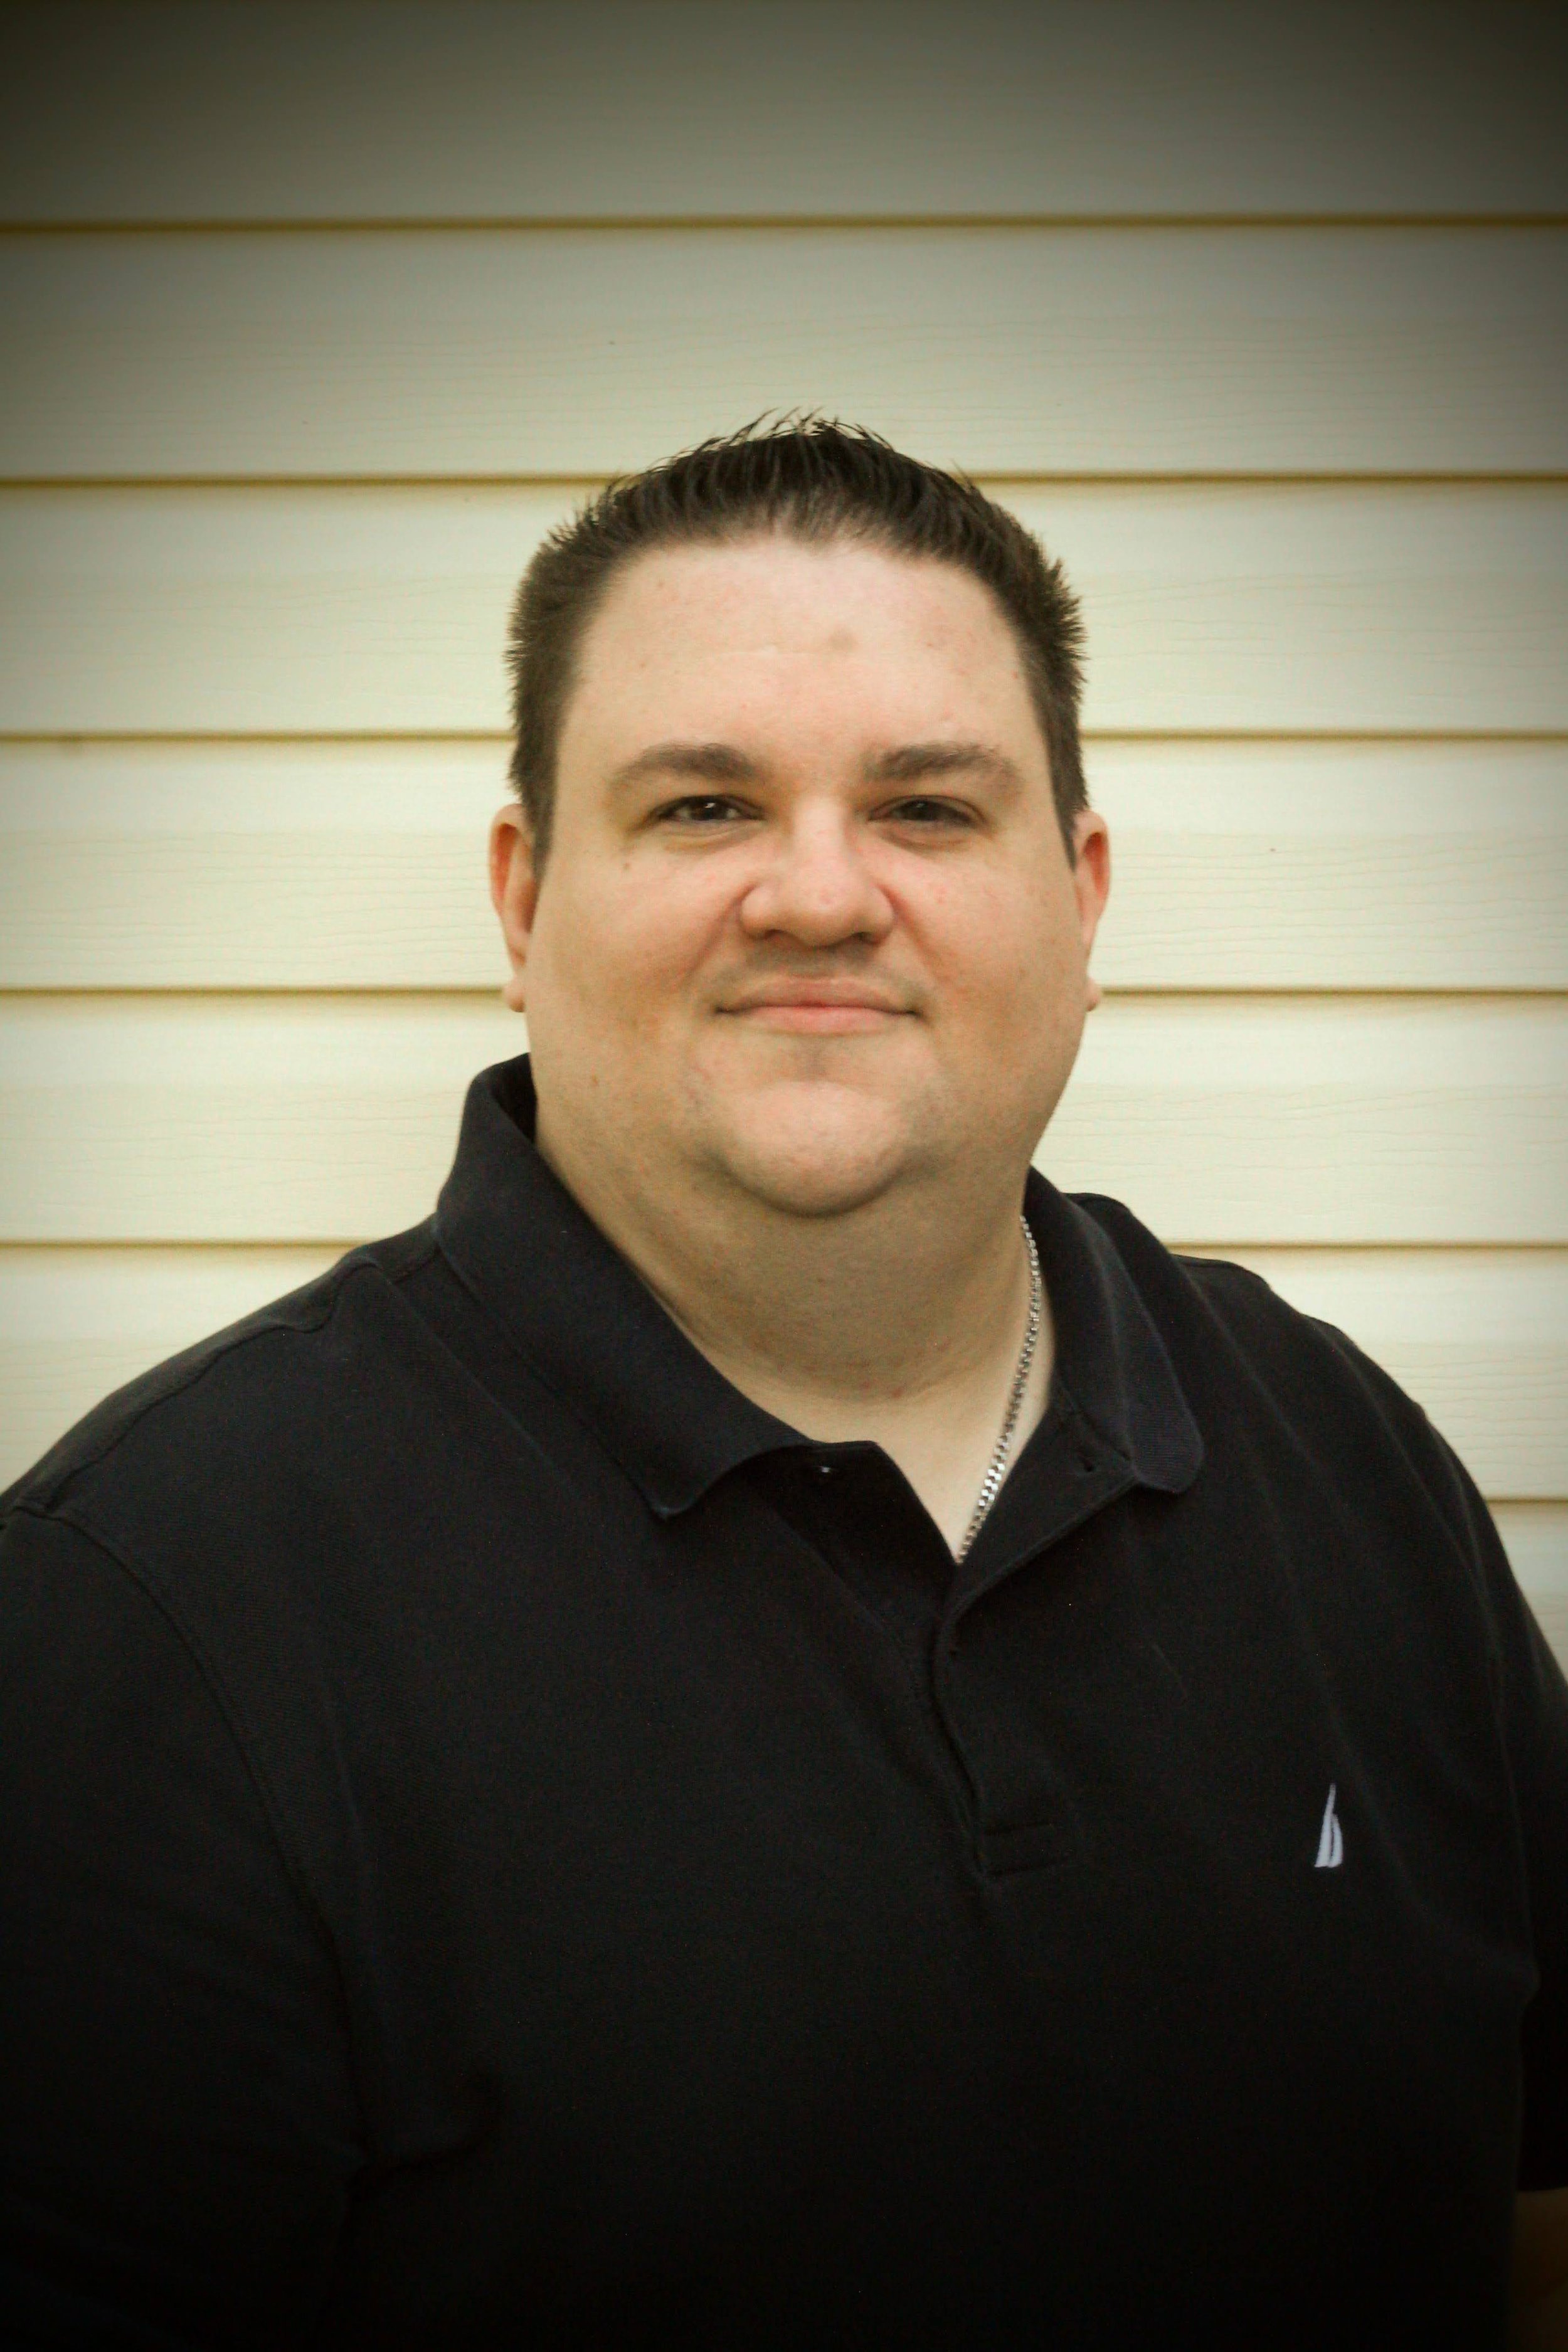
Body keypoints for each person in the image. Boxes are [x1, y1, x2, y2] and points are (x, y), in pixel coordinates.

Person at [1, 420, 1565, 2349]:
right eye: (703, 808)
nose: (819, 896)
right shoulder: (152, 1604)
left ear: (1080, 899)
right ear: (519, 899)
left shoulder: (1346, 1461)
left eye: (924, 808)